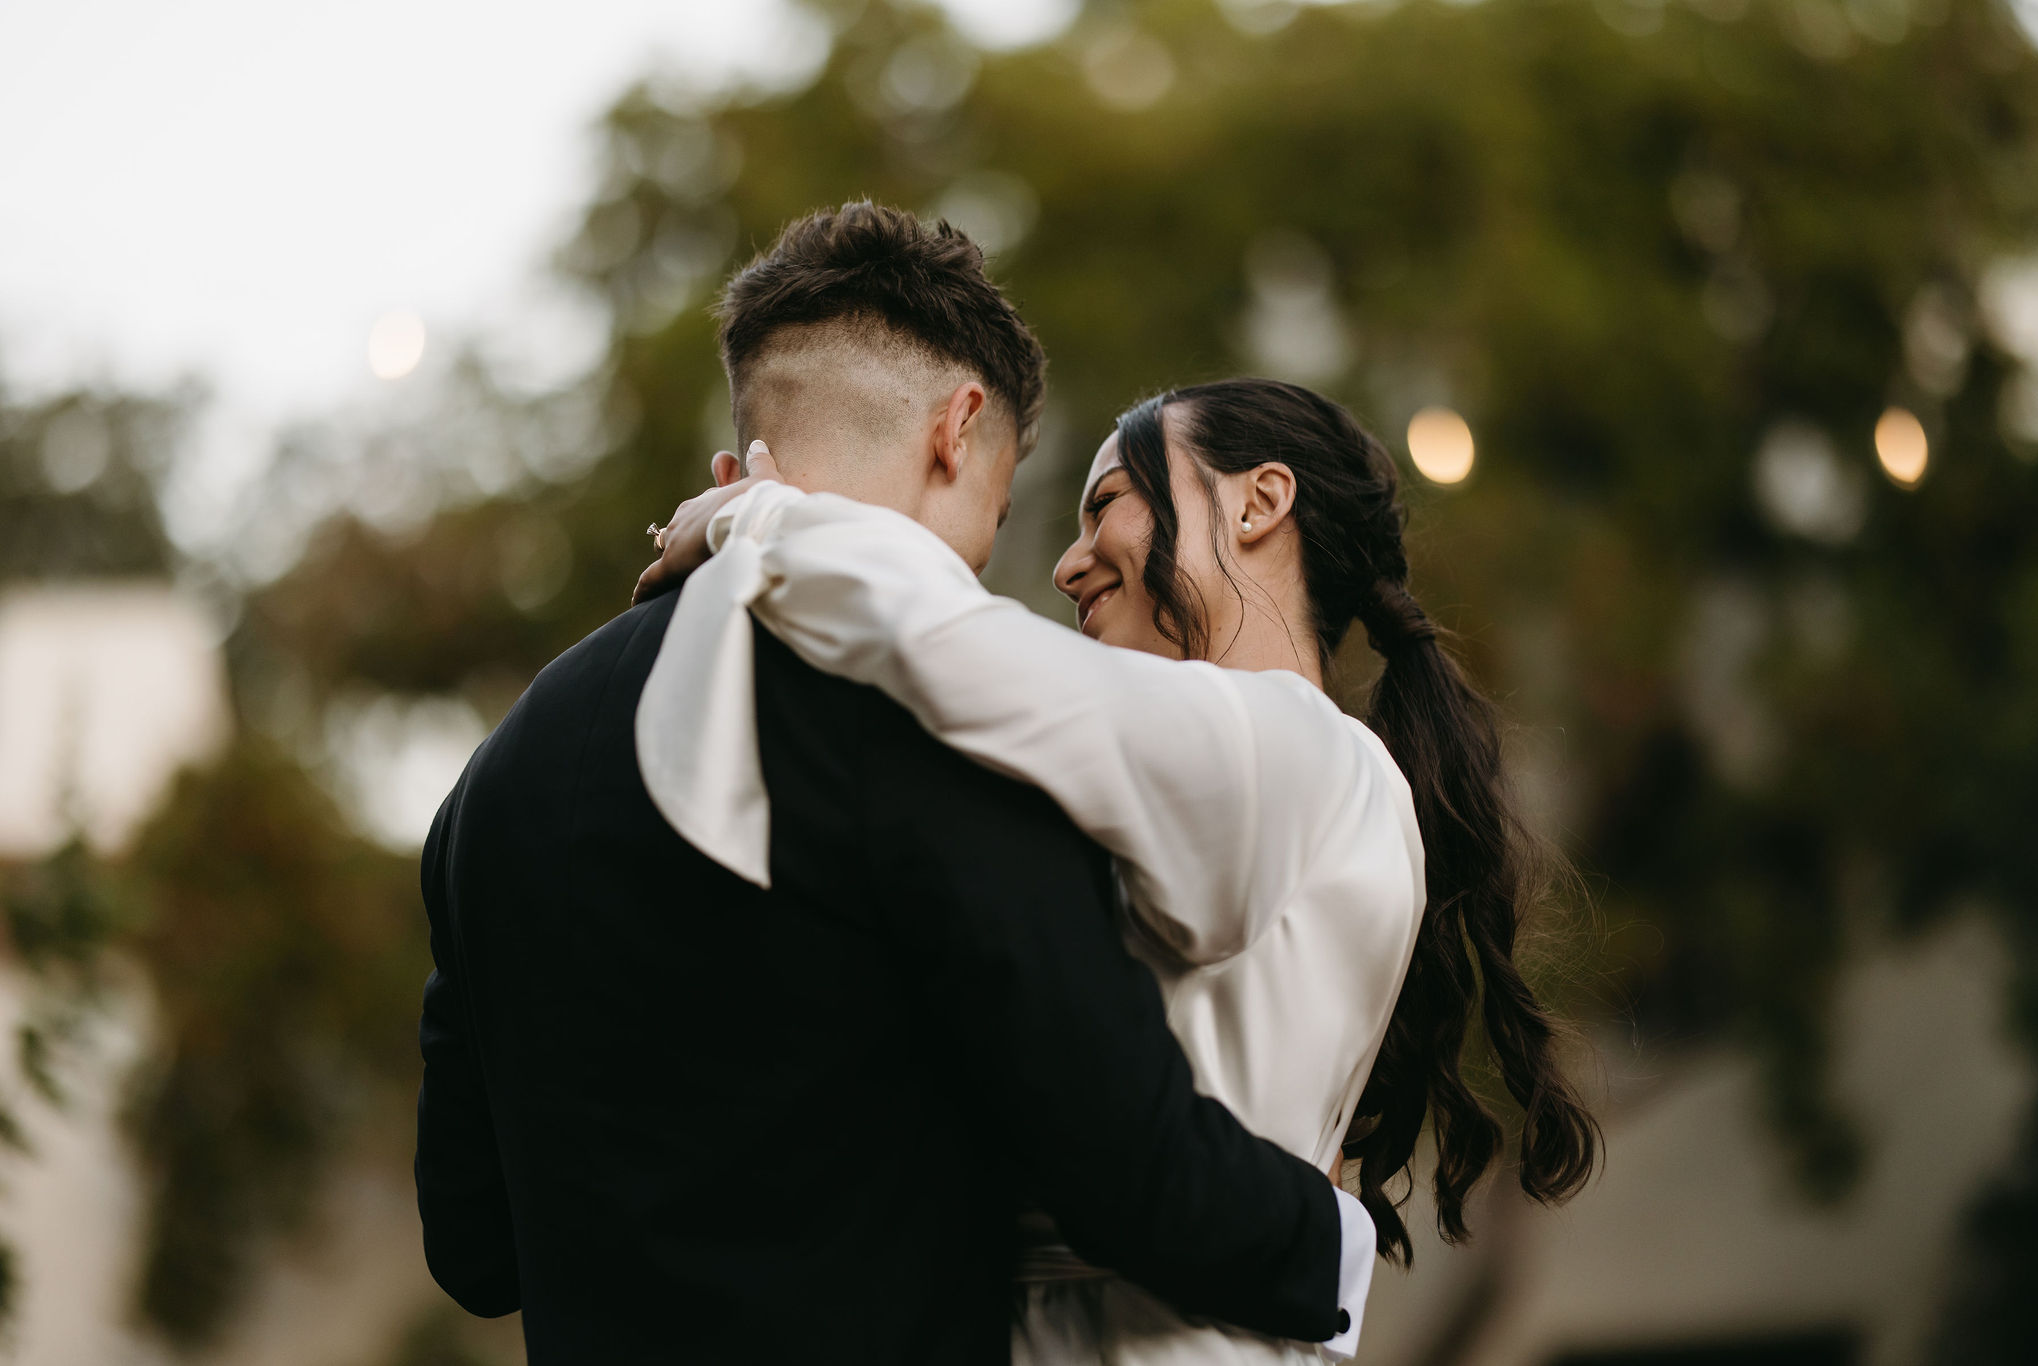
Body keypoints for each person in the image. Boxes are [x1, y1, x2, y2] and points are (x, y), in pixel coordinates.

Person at [414, 205, 1375, 1366]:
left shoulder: (493, 783)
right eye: (1002, 512)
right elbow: (1121, 1168)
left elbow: (474, 1248)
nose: (984, 565)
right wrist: (1330, 1236)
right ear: (957, 430)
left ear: (734, 476)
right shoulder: (941, 736)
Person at [636, 377, 1602, 1363]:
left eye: (1106, 505)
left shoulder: (1295, 747)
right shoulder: (1252, 770)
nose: (1064, 563)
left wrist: (764, 518)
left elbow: (949, 650)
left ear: (1258, 502)